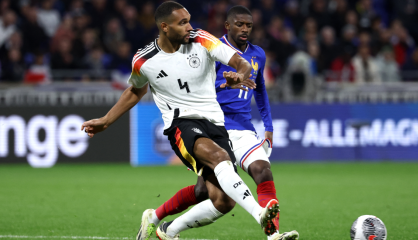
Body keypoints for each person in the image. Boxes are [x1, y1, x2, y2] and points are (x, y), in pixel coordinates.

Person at [81, 2, 279, 240]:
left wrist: (239, 75)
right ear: (165, 27)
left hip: (215, 123)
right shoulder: (144, 60)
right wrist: (106, 121)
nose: (190, 27)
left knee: (222, 200)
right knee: (220, 158)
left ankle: (163, 227)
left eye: (189, 20)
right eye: (182, 23)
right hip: (181, 124)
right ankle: (260, 215)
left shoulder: (202, 39)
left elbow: (243, 63)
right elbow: (135, 91)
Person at [137, 5, 299, 240]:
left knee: (262, 171)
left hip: (242, 128)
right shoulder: (208, 48)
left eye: (249, 25)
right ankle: (160, 222)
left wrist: (269, 126)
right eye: (240, 25)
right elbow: (193, 88)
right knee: (205, 191)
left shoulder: (258, 55)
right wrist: (224, 85)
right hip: (213, 124)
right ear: (228, 26)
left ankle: (272, 233)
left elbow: (260, 89)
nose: (245, 29)